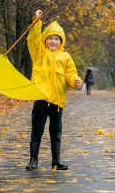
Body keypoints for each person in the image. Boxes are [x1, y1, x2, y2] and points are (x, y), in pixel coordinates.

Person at [25, 10, 82, 171]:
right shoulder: (39, 53)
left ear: (61, 41)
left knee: (56, 133)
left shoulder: (66, 57)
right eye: (50, 38)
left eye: (57, 39)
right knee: (37, 131)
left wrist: (75, 80)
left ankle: (56, 161)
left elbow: (70, 74)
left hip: (57, 101)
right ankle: (33, 160)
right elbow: (33, 39)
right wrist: (37, 21)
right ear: (45, 39)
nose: (53, 41)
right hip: (41, 99)